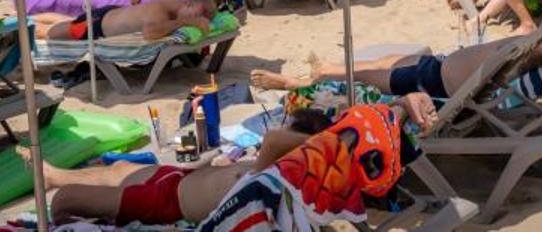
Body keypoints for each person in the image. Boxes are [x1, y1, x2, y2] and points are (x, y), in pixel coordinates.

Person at [29, 95, 430, 226]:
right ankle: (53, 174)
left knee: (68, 201)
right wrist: (404, 104)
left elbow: (275, 139)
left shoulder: (300, 167)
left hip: (169, 203)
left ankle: (57, 183)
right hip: (186, 179)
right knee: (118, 171)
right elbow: (367, 130)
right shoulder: (305, 169)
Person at [253, 6, 542, 100]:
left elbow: (487, 72)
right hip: (436, 68)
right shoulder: (539, 49)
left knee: (362, 82)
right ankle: (326, 67)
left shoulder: (521, 51)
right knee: (381, 63)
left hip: (433, 84)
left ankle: (293, 83)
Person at [26, 0, 216, 42]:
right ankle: (18, 22)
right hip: (97, 26)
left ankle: (25, 17)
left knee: (69, 20)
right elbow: (150, 33)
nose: (196, 20)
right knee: (46, 33)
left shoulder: (176, 6)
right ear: (189, 4)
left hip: (110, 15)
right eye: (196, 15)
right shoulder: (162, 10)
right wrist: (187, 22)